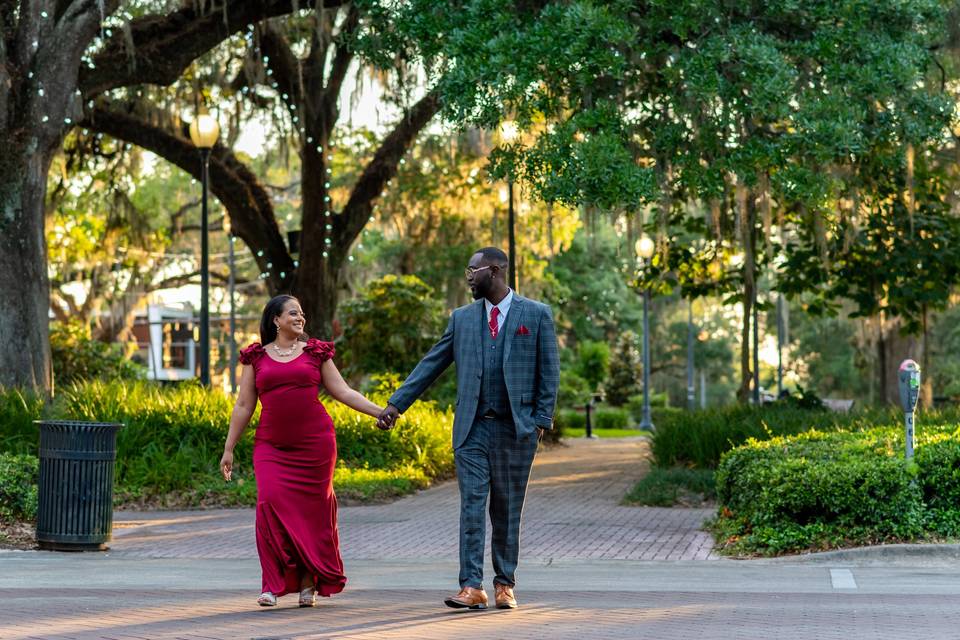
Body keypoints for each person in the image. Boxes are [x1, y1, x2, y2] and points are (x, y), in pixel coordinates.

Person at [377, 247, 560, 611]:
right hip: (472, 429)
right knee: (472, 507)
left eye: (472, 270)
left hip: (516, 430)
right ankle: (471, 586)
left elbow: (549, 371)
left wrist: (540, 421)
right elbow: (432, 363)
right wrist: (396, 404)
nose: (467, 277)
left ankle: (505, 584)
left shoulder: (536, 315)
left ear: (494, 271)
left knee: (507, 509)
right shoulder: (461, 318)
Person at [220, 295, 384, 608]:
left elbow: (343, 391)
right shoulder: (256, 357)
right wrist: (229, 448)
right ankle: (272, 584)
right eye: (293, 313)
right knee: (269, 506)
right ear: (276, 320)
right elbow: (243, 405)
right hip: (271, 446)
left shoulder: (316, 352)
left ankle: (309, 582)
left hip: (315, 445)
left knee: (313, 515)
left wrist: (381, 412)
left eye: (302, 312)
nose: (301, 318)